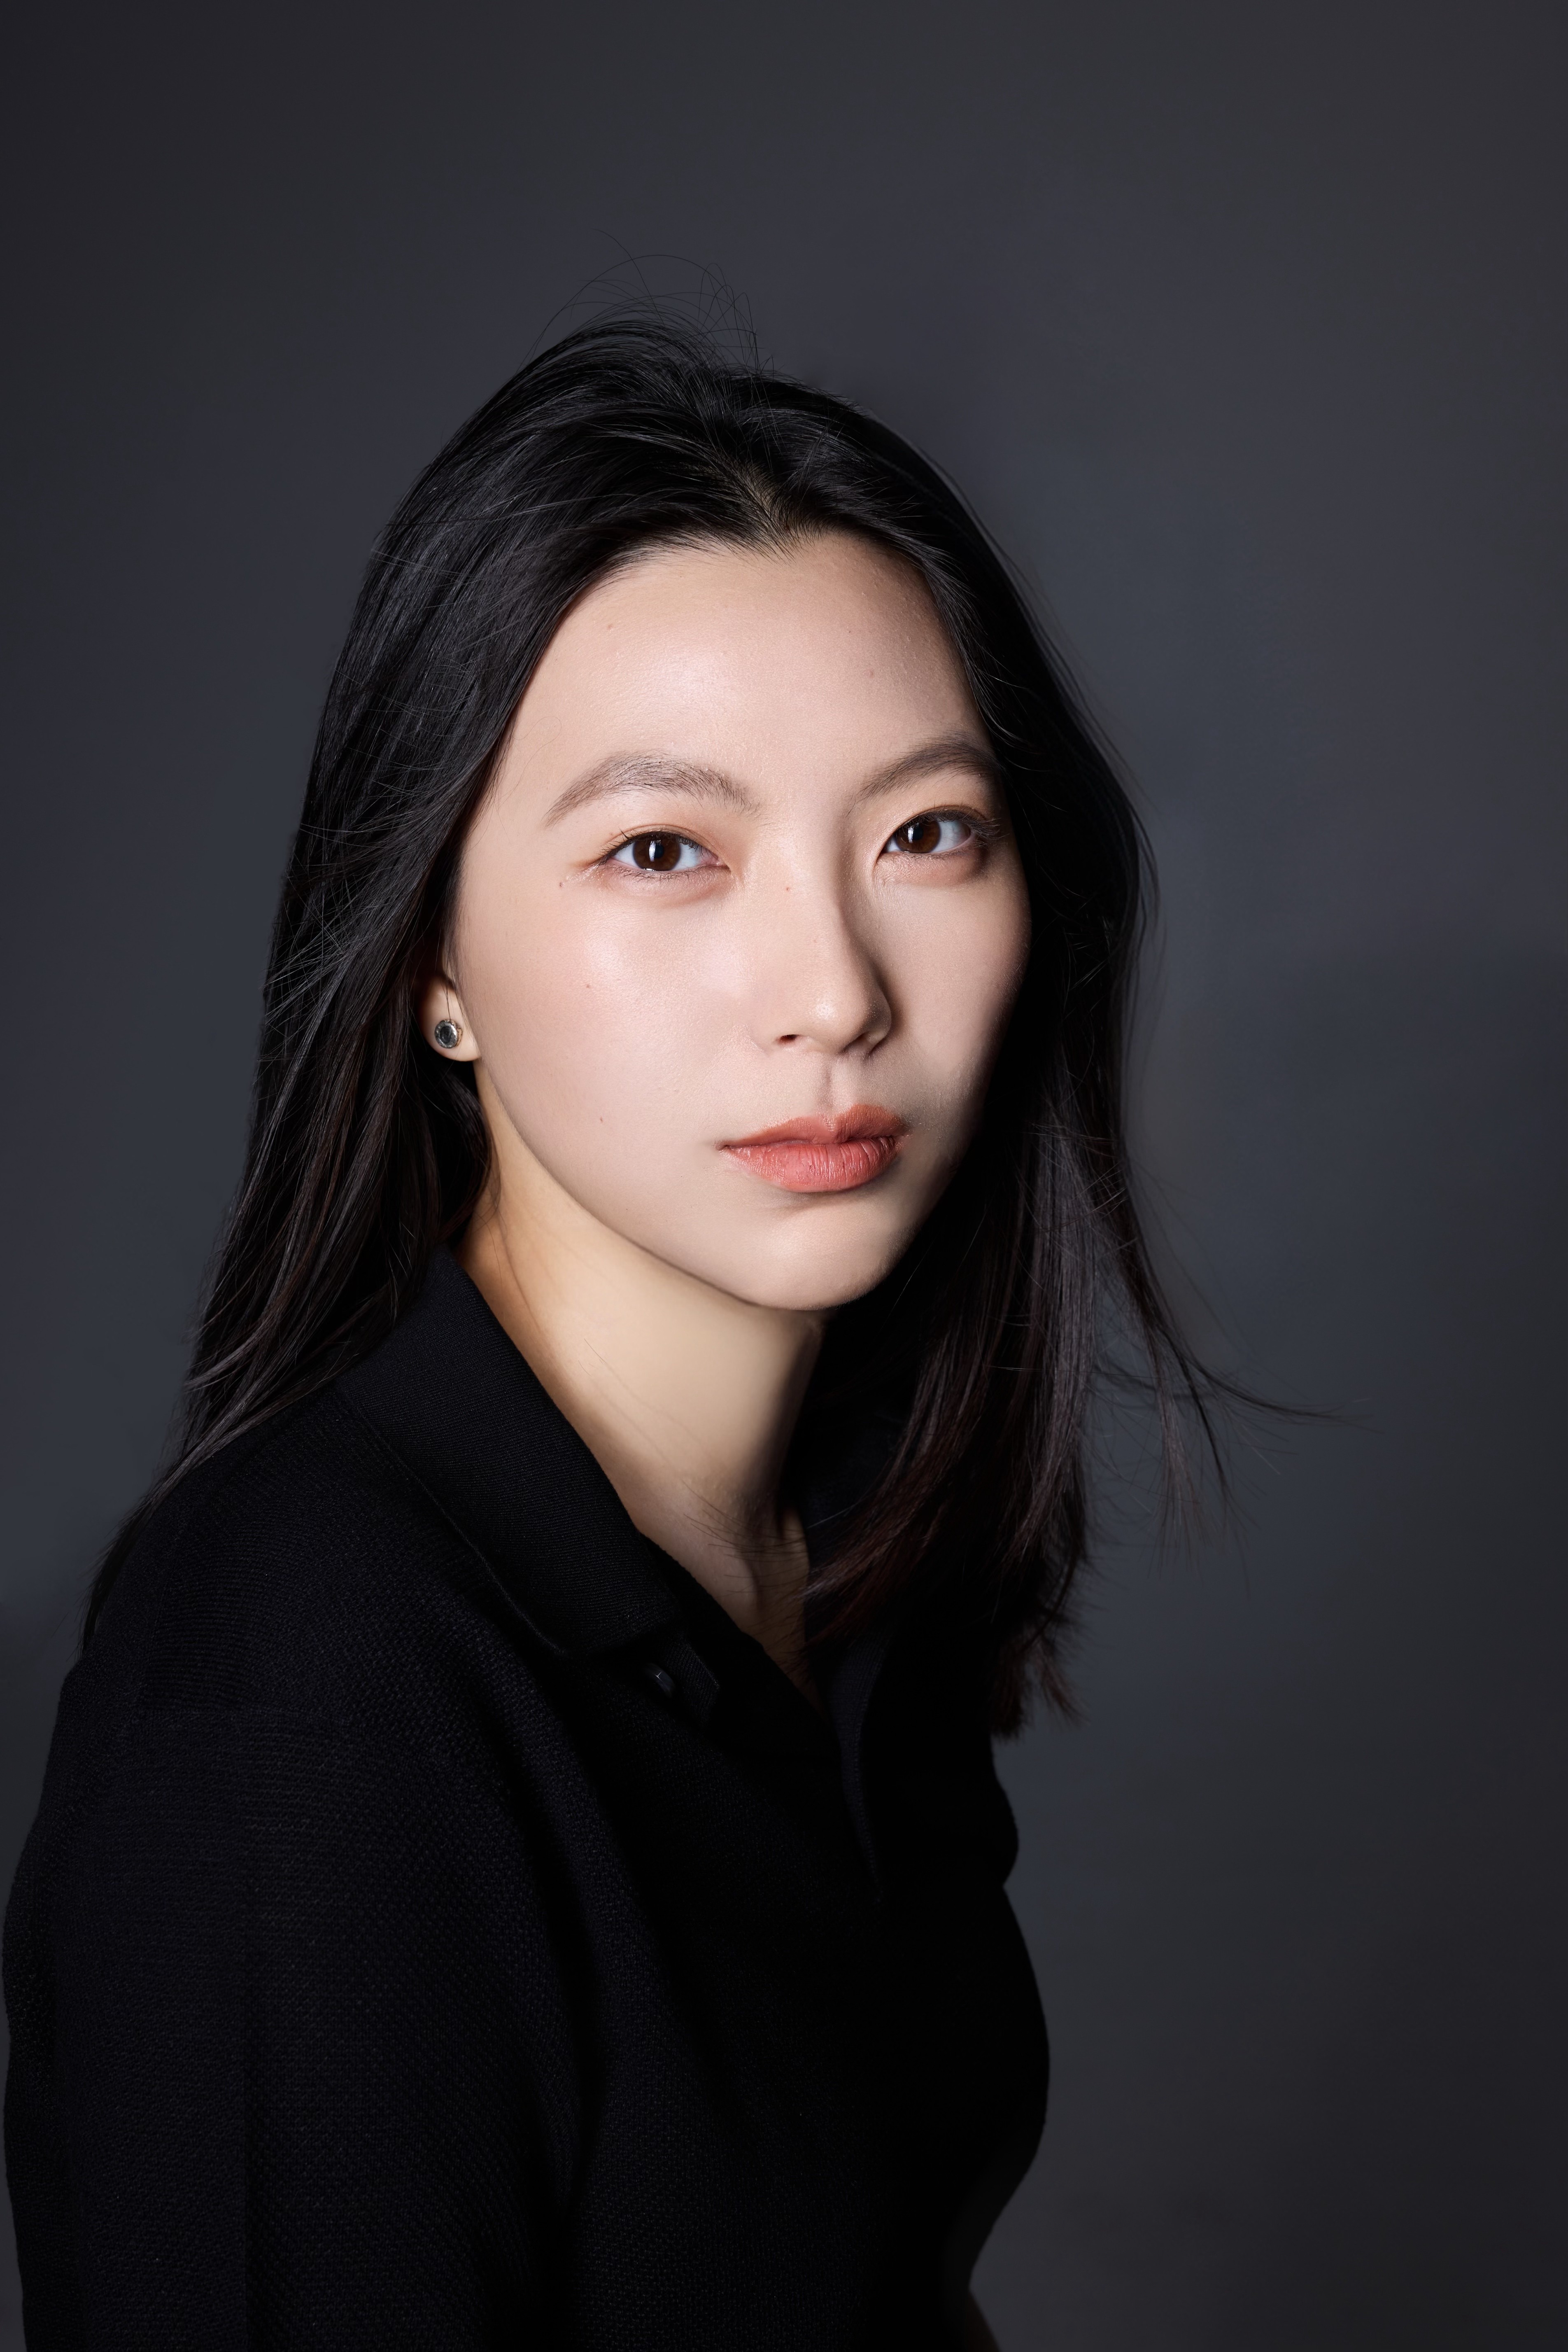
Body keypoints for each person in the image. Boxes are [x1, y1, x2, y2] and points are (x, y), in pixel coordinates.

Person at [4, 315, 1214, 2348]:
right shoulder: (299, 1686)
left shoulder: (836, 1563)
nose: (830, 988)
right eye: (664, 851)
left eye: (924, 833)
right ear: (427, 964)